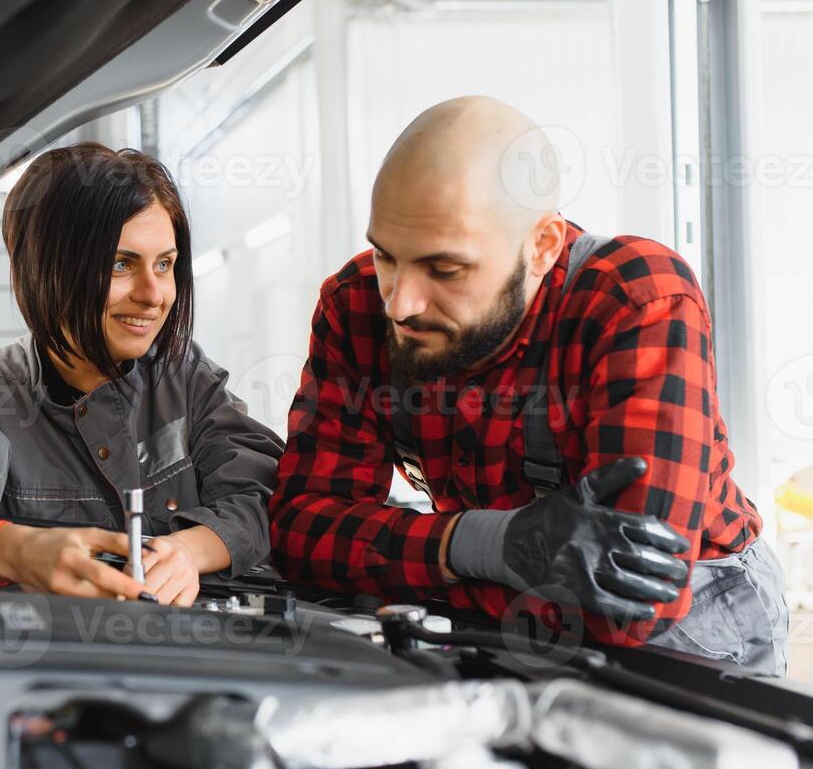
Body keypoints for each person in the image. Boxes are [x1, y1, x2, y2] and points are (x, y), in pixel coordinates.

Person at [271, 96, 789, 675]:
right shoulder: (355, 305)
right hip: (505, 630)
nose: (401, 303)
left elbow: (631, 608)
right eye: (387, 256)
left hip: (695, 631)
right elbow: (299, 533)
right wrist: (487, 544)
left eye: (445, 269)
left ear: (541, 246)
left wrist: (412, 563)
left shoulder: (636, 299)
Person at [0, 143, 282, 606]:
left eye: (165, 264)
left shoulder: (185, 377)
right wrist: (16, 550)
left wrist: (187, 551)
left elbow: (264, 495)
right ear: (48, 268)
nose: (154, 295)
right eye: (120, 264)